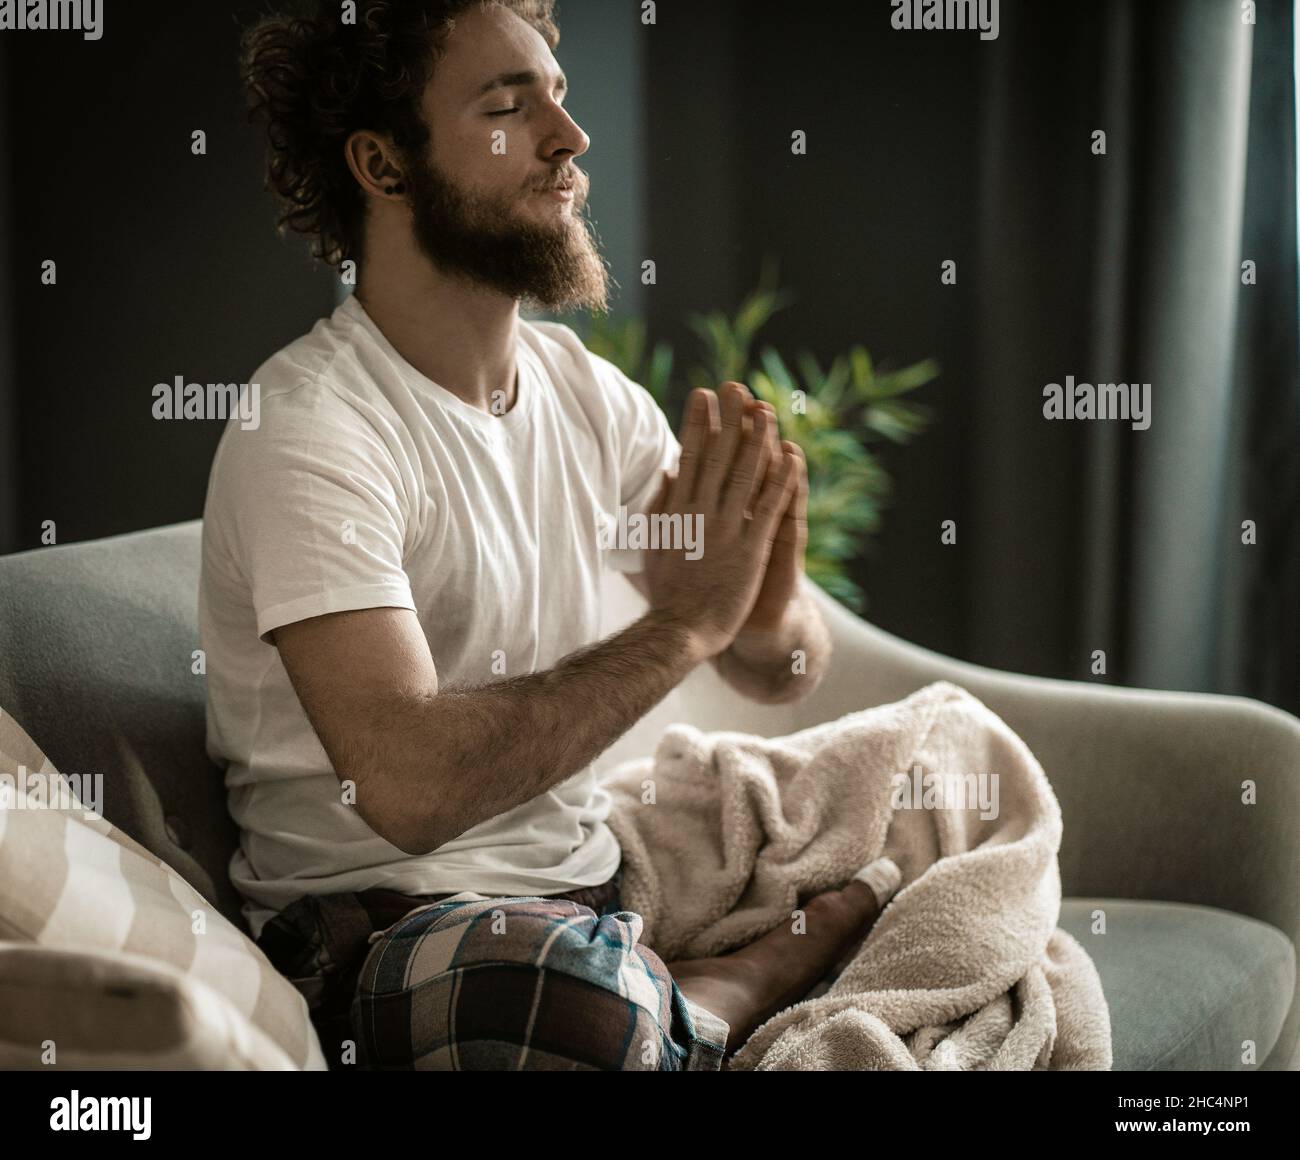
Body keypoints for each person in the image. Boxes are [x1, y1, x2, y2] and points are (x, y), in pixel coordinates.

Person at [202, 0, 889, 1070]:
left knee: (937, 760)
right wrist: (688, 621)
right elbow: (408, 785)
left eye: (557, 98)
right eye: (507, 108)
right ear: (383, 164)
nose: (569, 140)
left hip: (595, 881)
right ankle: (716, 993)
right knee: (566, 1009)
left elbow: (779, 670)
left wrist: (765, 588)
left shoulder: (587, 394)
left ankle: (657, 987)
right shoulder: (308, 426)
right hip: (397, 926)